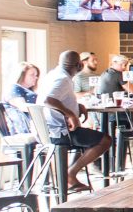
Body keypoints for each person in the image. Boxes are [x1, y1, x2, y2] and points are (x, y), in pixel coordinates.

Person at [41, 50, 110, 192]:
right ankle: (70, 174)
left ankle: (69, 174)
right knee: (105, 140)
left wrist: (77, 106)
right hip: (60, 132)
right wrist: (71, 114)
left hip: (47, 130)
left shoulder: (53, 74)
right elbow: (47, 100)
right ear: (79, 65)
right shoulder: (63, 79)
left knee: (86, 138)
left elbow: (57, 98)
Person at [4, 62, 39, 135]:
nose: (36, 78)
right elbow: (22, 106)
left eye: (36, 75)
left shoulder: (29, 90)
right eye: (32, 75)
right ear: (21, 75)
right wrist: (42, 108)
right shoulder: (14, 88)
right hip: (22, 127)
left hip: (33, 123)